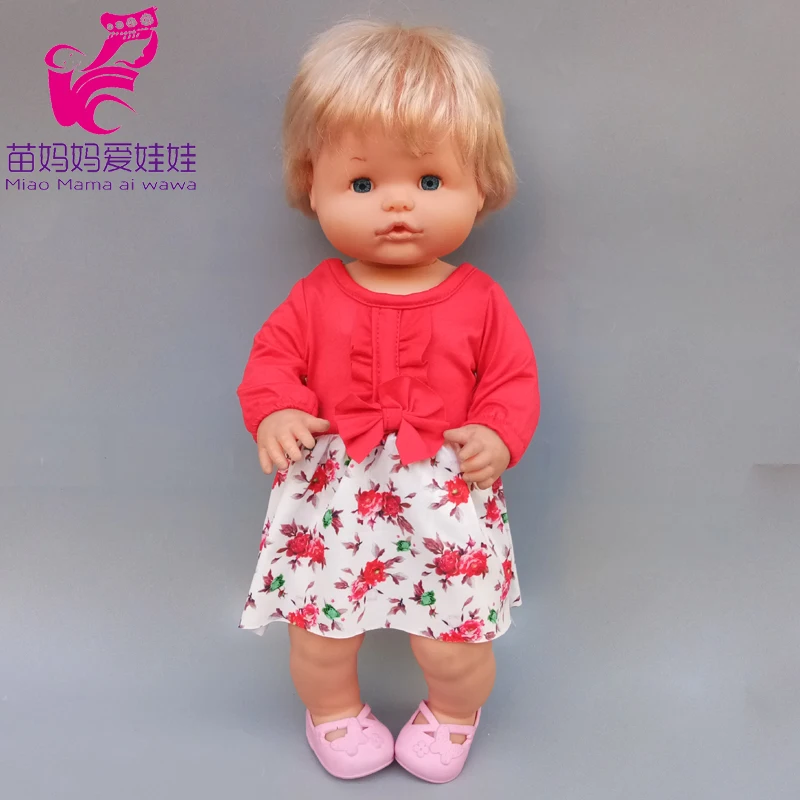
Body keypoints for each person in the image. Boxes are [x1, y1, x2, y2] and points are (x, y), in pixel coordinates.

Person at [236, 19, 540, 784]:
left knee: (455, 638)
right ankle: (333, 712)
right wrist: (276, 411)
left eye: (430, 182)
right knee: (319, 633)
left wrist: (498, 434)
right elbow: (271, 361)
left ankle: (454, 712)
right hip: (332, 495)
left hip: (444, 491)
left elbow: (512, 379)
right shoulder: (315, 295)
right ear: (313, 185)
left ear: (482, 185)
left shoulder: (480, 299)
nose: (398, 206)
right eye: (364, 184)